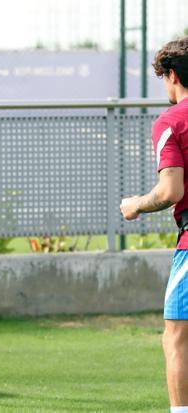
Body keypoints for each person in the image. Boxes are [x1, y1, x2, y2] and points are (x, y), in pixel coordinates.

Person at [120, 36, 188, 412]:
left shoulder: (171, 121)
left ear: (172, 76)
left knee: (176, 337)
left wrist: (135, 205)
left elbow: (171, 190)